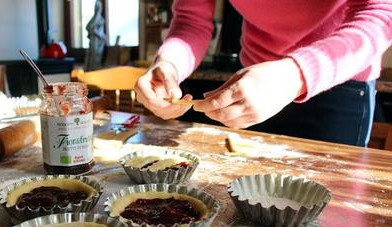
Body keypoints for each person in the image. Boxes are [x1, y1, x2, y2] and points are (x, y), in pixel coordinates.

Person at [135, 0, 392, 147]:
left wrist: (294, 76)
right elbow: (191, 21)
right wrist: (169, 63)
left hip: (338, 81)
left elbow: (380, 15)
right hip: (252, 85)